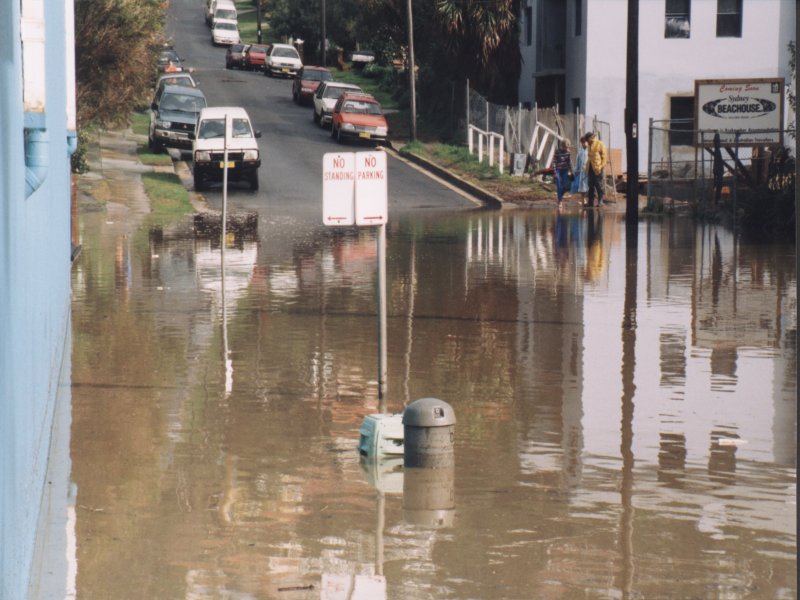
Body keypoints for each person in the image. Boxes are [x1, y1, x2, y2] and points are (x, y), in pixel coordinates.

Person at [585, 131, 607, 208]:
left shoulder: (599, 144)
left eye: (587, 140)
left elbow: (604, 156)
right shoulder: (589, 145)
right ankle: (590, 202)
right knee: (590, 185)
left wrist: (601, 167)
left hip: (598, 168)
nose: (587, 142)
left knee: (599, 185)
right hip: (590, 168)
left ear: (591, 138)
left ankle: (600, 201)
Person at [551, 139, 573, 208]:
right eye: (566, 147)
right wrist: (554, 171)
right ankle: (560, 201)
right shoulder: (558, 151)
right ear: (562, 146)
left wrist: (571, 170)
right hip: (558, 170)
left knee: (564, 185)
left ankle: (559, 196)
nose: (567, 149)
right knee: (558, 184)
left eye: (568, 147)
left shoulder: (568, 152)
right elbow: (554, 161)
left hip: (565, 170)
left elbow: (570, 162)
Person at [571, 133, 589, 202]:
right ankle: (583, 199)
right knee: (582, 186)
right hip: (581, 171)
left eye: (584, 142)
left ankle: (587, 198)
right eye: (582, 143)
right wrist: (576, 170)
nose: (584, 144)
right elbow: (578, 160)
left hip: (587, 170)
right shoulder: (580, 150)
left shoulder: (589, 150)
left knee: (587, 185)